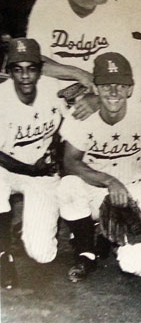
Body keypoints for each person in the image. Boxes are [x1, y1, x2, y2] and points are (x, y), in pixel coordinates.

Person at [58, 52, 141, 282]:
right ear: (95, 89)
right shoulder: (81, 116)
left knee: (140, 267)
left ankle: (110, 239)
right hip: (95, 188)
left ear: (130, 89)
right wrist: (109, 181)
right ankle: (86, 251)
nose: (113, 92)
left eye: (120, 85)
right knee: (68, 186)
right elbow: (70, 161)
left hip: (134, 192)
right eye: (106, 85)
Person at [27, 0, 141, 112]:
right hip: (54, 94)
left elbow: (126, 67)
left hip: (100, 91)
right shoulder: (47, 6)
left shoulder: (114, 11)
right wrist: (78, 74)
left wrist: (98, 98)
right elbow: (34, 61)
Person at [0, 39, 63, 289]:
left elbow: (69, 125)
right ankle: (3, 254)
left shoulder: (54, 90)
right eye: (18, 69)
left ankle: (25, 230)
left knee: (42, 253)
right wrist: (30, 170)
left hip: (41, 169)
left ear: (40, 69)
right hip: (7, 168)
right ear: (9, 70)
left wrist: (57, 149)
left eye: (31, 68)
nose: (25, 76)